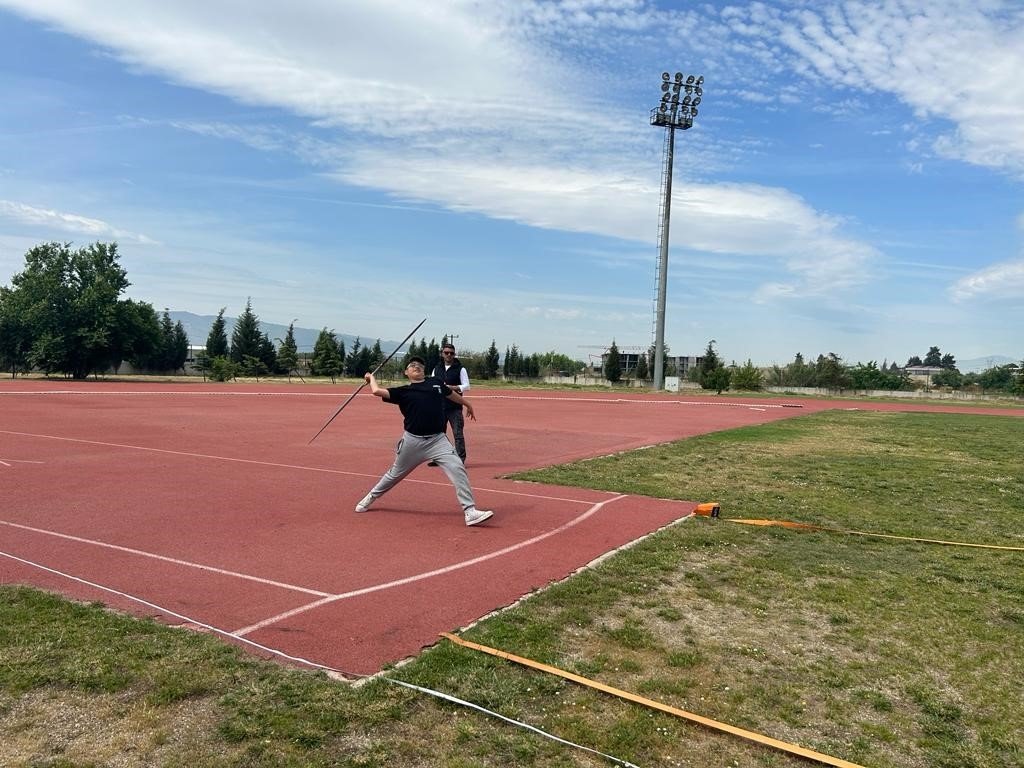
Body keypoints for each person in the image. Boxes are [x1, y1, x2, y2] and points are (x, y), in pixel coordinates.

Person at [355, 356, 494, 526]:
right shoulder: (403, 391)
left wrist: (467, 404)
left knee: (457, 468)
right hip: (412, 442)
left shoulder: (435, 382)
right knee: (394, 475)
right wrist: (371, 378)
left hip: (437, 440)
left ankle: (470, 511)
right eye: (412, 365)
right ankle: (370, 497)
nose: (416, 366)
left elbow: (451, 395)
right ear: (406, 372)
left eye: (419, 365)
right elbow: (376, 391)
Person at [430, 342, 471, 464]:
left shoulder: (460, 369)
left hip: (454, 407)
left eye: (451, 353)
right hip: (439, 407)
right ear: (442, 354)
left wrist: (452, 388)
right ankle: (439, 458)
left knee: (458, 434)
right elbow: (432, 383)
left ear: (454, 355)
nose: (449, 355)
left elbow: (467, 386)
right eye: (446, 353)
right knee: (438, 435)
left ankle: (460, 459)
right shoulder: (436, 369)